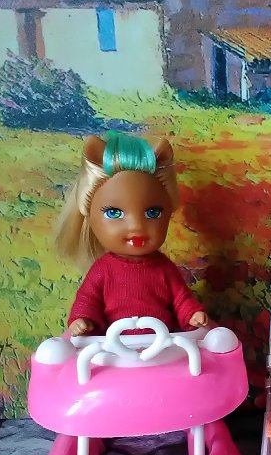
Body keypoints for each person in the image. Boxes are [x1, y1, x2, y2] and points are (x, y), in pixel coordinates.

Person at [54, 132, 208, 336]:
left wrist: (191, 314)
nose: (137, 226)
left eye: (153, 213)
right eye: (114, 213)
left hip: (162, 345)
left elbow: (181, 298)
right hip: (115, 348)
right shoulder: (103, 270)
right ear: (89, 216)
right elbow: (88, 300)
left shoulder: (164, 269)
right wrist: (82, 320)